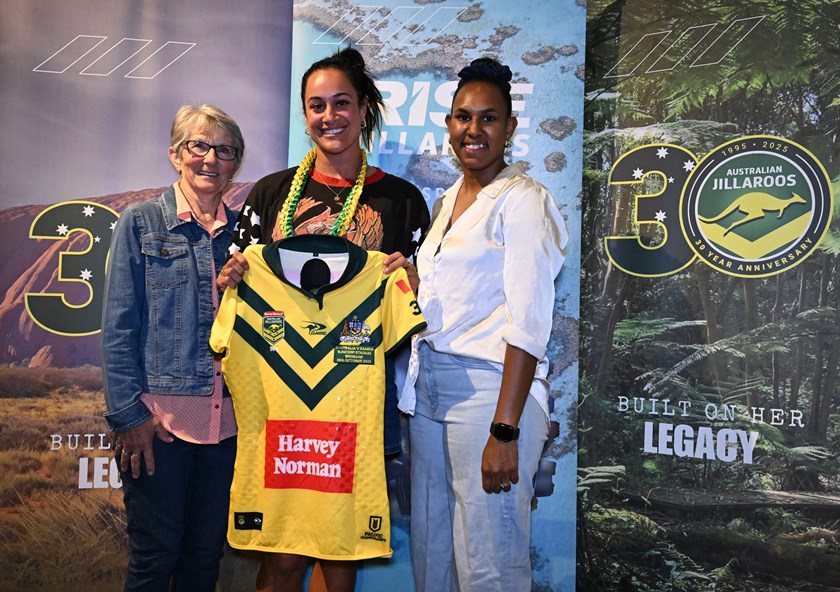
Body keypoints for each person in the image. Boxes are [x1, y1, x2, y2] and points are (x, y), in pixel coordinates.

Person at [216, 47, 429, 592]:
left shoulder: (401, 201)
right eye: (316, 106)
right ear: (304, 115)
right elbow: (237, 289)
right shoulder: (268, 195)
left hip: (356, 395)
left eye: (341, 103)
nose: (329, 116)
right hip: (283, 395)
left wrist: (412, 280)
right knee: (283, 555)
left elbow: (419, 302)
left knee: (339, 553)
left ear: (364, 110)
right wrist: (233, 278)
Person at [399, 57, 569, 591]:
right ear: (449, 124)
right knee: (434, 557)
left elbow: (528, 324)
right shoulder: (450, 199)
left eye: (488, 118)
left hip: (490, 397)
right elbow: (459, 297)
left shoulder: (524, 202)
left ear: (511, 128)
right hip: (429, 395)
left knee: (489, 566)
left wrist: (505, 430)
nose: (474, 130)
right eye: (462, 117)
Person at [101, 104, 244, 591]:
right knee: (154, 559)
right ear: (175, 155)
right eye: (198, 146)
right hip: (160, 427)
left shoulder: (245, 235)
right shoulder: (140, 223)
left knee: (204, 560)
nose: (211, 159)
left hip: (228, 431)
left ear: (235, 164)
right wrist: (129, 417)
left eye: (224, 150)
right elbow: (119, 327)